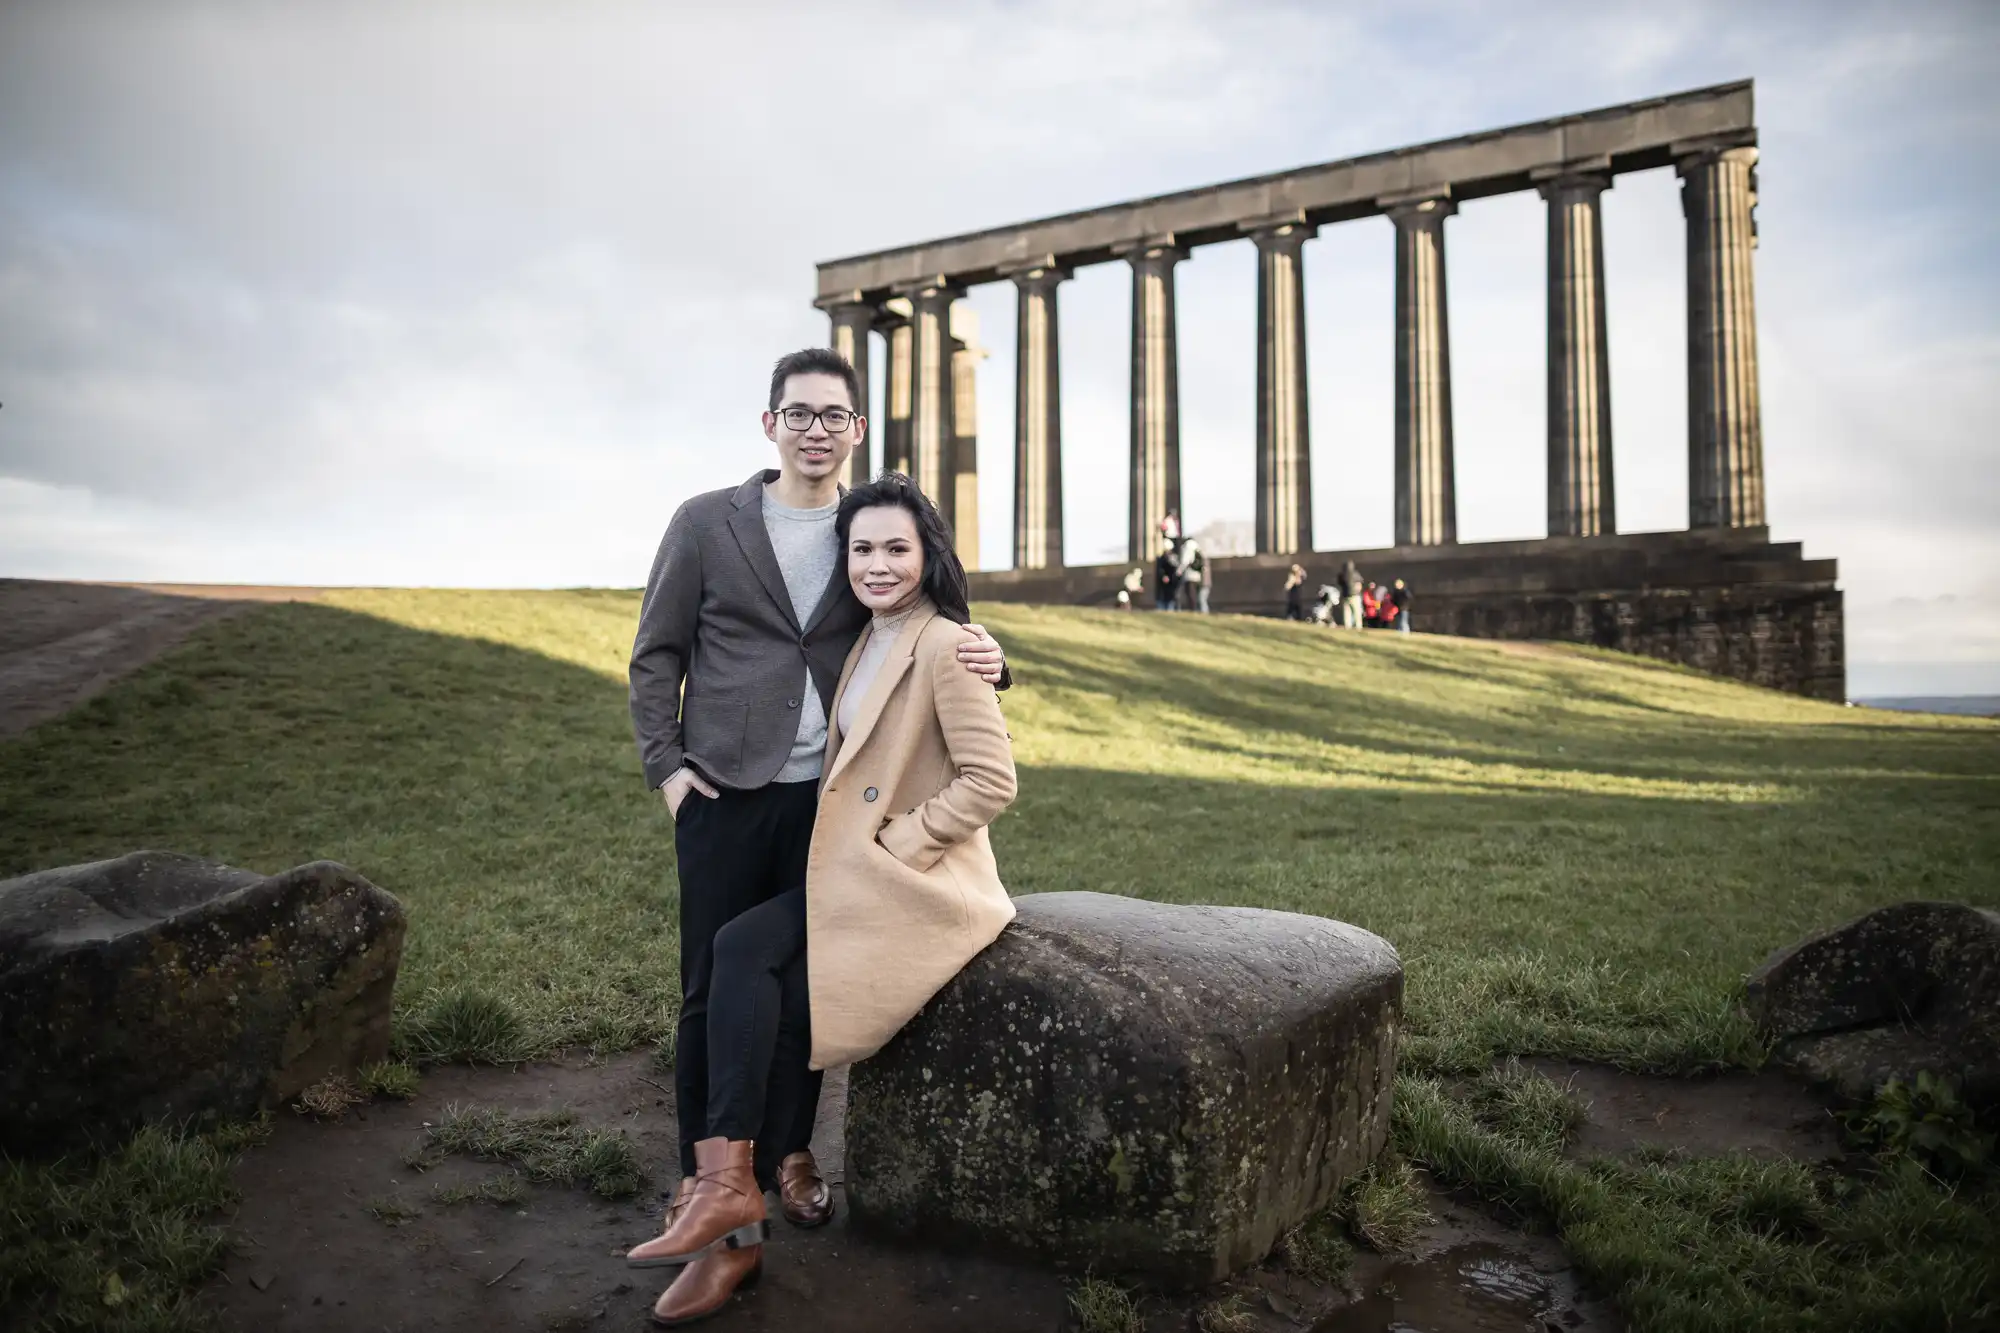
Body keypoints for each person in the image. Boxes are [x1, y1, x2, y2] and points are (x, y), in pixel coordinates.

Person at [625, 350, 1008, 1323]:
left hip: (830, 803)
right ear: (768, 425)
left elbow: (921, 625)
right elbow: (654, 654)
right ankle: (707, 1194)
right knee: (710, 992)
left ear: (856, 429)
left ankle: (786, 1152)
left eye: (833, 415)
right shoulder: (705, 522)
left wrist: (990, 658)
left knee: (802, 988)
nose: (814, 429)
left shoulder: (864, 529)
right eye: (797, 413)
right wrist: (669, 772)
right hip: (721, 794)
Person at [1180, 538, 1209, 613]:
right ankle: (1196, 610)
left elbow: (1184, 562)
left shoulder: (1187, 547)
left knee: (1192, 596)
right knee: (1197, 597)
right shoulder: (1198, 551)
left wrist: (1179, 571)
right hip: (1197, 578)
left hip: (1190, 577)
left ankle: (1193, 610)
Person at [1154, 540, 1181, 612]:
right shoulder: (1162, 559)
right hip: (1164, 588)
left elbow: (1175, 572)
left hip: (1171, 586)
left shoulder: (1173, 559)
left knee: (1170, 602)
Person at [1339, 559, 1363, 630]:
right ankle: (1358, 627)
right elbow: (1359, 584)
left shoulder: (1342, 575)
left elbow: (1340, 583)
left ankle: (1347, 627)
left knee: (1347, 613)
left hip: (1345, 596)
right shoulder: (1355, 573)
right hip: (1355, 596)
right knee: (1357, 612)